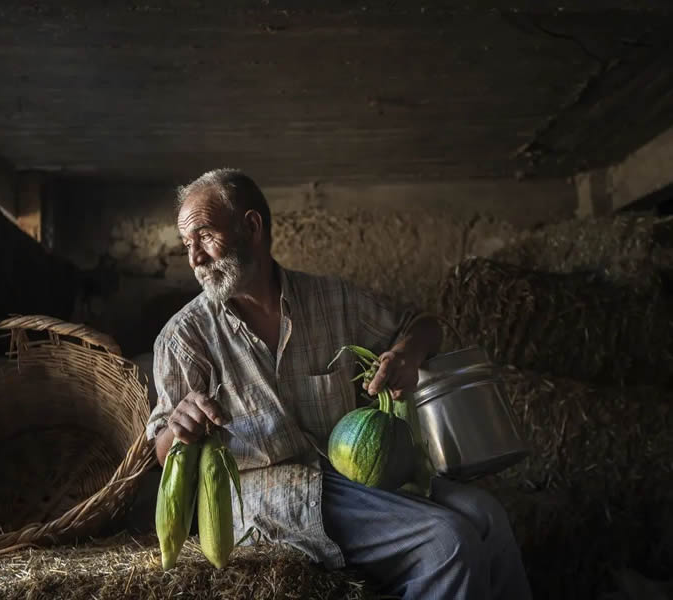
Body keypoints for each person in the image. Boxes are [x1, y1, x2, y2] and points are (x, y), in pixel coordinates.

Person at [146, 168, 531, 599]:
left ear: (251, 227)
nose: (195, 258)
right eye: (187, 245)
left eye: (204, 236)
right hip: (275, 496)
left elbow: (423, 326)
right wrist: (178, 429)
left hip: (359, 473)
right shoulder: (184, 337)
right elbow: (163, 451)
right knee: (448, 541)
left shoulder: (333, 299)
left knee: (488, 516)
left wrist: (406, 355)